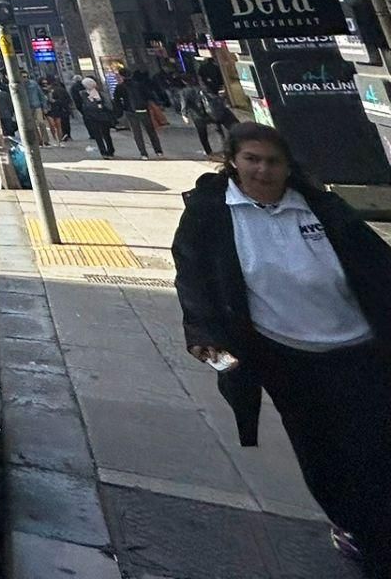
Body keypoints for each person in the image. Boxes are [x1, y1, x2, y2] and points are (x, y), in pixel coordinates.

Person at [172, 123, 391, 570]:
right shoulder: (211, 212)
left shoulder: (320, 206)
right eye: (252, 159)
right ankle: (357, 528)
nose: (263, 169)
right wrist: (209, 344)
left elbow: (375, 264)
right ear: (233, 160)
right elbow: (193, 279)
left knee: (376, 441)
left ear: (288, 166)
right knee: (322, 448)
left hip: (358, 346)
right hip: (286, 356)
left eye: (273, 161)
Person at [118, 69, 164, 157]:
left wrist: (118, 113)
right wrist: (157, 103)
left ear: (121, 76)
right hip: (143, 109)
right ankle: (158, 151)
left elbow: (117, 101)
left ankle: (144, 153)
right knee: (151, 131)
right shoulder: (140, 85)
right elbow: (149, 95)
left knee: (137, 133)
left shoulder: (120, 87)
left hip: (130, 111)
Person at [75, 81, 116, 158]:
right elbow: (109, 106)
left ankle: (104, 152)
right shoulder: (101, 94)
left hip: (92, 117)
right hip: (101, 116)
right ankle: (110, 151)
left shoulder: (82, 94)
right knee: (106, 135)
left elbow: (79, 105)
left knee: (99, 135)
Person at [45, 75, 75, 144]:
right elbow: (68, 98)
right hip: (64, 108)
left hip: (57, 109)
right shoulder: (62, 89)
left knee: (59, 124)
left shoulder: (51, 90)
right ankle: (67, 135)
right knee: (66, 122)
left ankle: (62, 136)